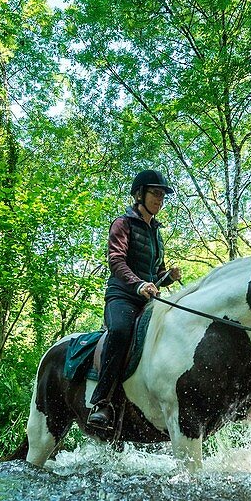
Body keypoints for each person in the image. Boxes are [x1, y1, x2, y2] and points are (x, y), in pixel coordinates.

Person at [87, 169, 182, 431]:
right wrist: (138, 284)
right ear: (139, 194)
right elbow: (116, 261)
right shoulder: (123, 223)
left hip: (148, 299)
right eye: (155, 193)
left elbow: (156, 271)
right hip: (122, 297)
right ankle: (101, 402)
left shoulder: (156, 231)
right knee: (119, 332)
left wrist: (168, 277)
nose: (160, 200)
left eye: (163, 196)